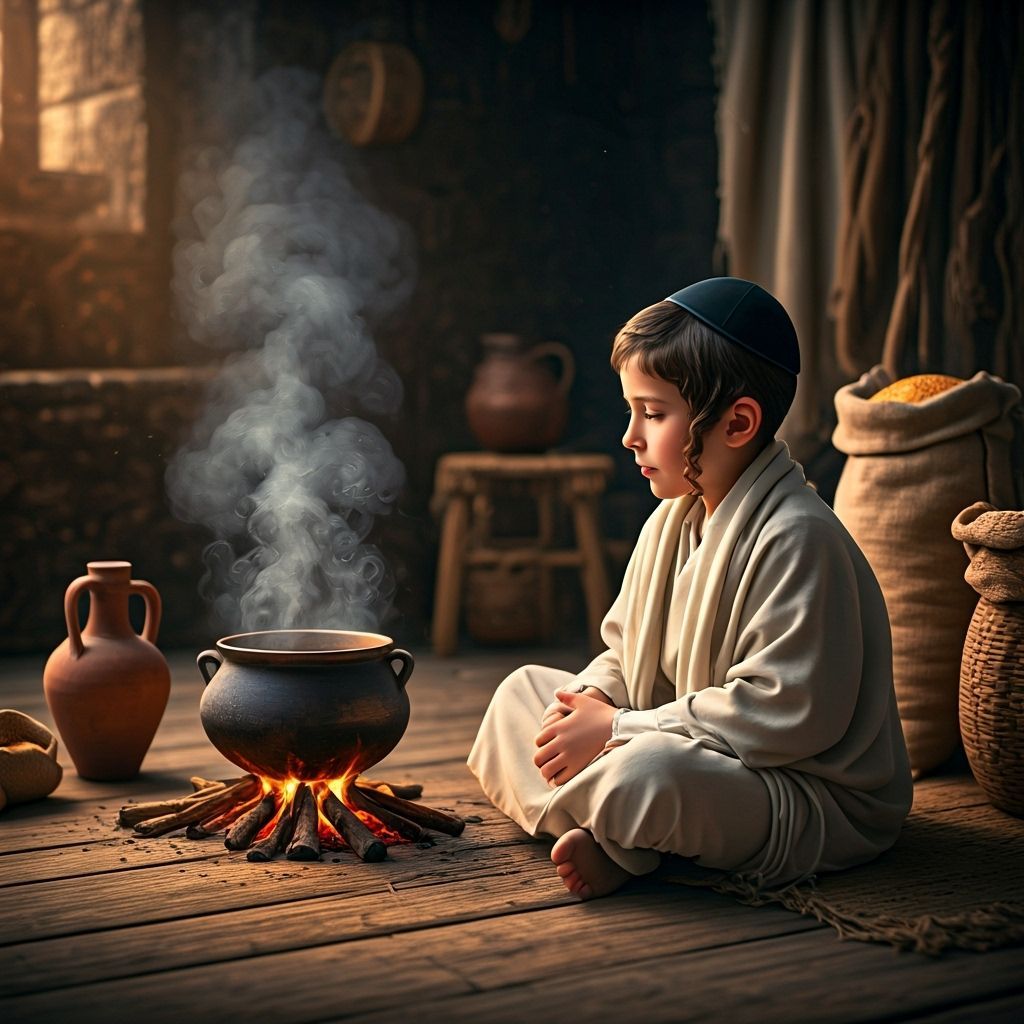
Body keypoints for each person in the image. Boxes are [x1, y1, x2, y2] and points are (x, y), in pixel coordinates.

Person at [467, 277, 913, 900]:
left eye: (652, 414)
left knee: (651, 774)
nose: (630, 436)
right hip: (674, 736)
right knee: (521, 697)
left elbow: (785, 718)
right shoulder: (671, 520)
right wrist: (594, 698)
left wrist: (618, 729)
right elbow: (624, 653)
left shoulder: (799, 538)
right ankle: (625, 836)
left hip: (793, 791)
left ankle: (623, 833)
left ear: (737, 423)